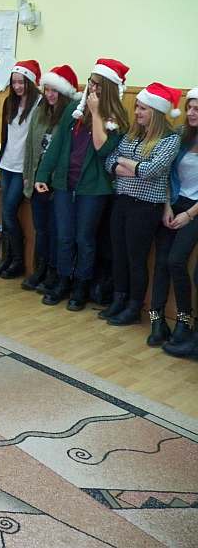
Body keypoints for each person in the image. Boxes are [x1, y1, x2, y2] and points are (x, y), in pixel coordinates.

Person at [35, 58, 129, 310]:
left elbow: (103, 150)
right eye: (91, 82)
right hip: (65, 182)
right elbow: (56, 145)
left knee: (84, 238)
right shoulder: (73, 110)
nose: (92, 88)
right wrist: (42, 174)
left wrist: (96, 113)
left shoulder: (117, 118)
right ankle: (63, 280)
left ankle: (81, 286)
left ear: (109, 88)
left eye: (98, 84)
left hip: (94, 188)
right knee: (64, 236)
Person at [103, 82, 182, 326]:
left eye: (143, 108)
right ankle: (119, 298)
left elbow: (151, 170)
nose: (136, 112)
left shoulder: (169, 139)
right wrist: (131, 167)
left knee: (135, 258)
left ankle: (134, 307)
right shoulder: (132, 134)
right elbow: (109, 161)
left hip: (146, 207)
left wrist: (124, 163)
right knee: (118, 253)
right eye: (136, 106)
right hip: (122, 200)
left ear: (156, 112)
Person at [20, 65, 79, 293]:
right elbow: (30, 147)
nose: (50, 94)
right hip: (38, 181)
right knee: (41, 229)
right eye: (47, 89)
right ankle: (41, 269)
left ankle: (55, 272)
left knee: (57, 231)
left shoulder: (71, 117)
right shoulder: (39, 112)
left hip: (58, 184)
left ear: (64, 93)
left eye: (55, 90)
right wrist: (28, 177)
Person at [149, 87, 198, 350]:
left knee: (176, 260)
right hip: (175, 201)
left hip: (195, 210)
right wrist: (167, 206)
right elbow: (167, 174)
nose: (191, 113)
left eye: (197, 109)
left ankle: (184, 320)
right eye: (189, 107)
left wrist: (188, 215)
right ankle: (156, 320)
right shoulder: (180, 135)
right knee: (161, 261)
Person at [0, 60, 42, 279]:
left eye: (22, 82)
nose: (17, 86)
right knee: (5, 213)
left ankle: (18, 261)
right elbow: (6, 134)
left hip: (23, 168)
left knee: (9, 212)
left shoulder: (39, 105)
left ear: (30, 81)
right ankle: (6, 259)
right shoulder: (9, 102)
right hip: (6, 164)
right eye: (14, 82)